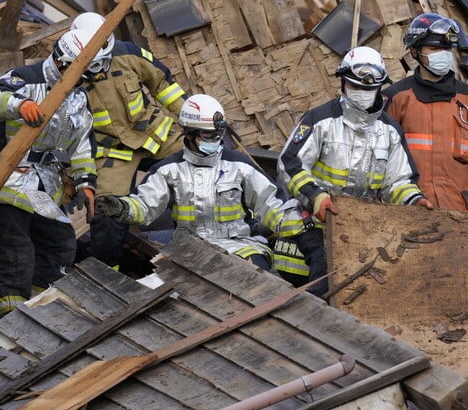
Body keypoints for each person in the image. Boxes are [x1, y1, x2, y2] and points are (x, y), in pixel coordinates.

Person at [95, 94, 323, 275]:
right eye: (208, 136)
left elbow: (274, 209)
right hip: (189, 252)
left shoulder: (241, 166)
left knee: (256, 285)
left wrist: (309, 224)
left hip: (242, 247)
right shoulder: (167, 170)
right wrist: (122, 208)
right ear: (189, 134)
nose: (216, 141)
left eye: (218, 135)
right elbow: (145, 207)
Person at [278, 46, 431, 294]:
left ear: (380, 88)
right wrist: (316, 197)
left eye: (368, 89)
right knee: (330, 280)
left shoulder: (390, 132)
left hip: (364, 227)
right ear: (343, 84)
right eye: (356, 87)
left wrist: (414, 200)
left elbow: (399, 181)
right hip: (316, 224)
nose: (361, 93)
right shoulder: (320, 121)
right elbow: (290, 163)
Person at [0, 28, 105, 315]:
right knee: (16, 253)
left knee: (60, 245)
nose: (83, 82)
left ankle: (40, 312)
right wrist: (19, 105)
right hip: (7, 182)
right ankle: (9, 318)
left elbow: (83, 145)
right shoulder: (26, 78)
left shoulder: (77, 97)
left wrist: (87, 184)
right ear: (63, 63)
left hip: (45, 186)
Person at [70, 12, 188, 266]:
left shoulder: (128, 53)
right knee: (107, 212)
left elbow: (163, 85)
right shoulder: (65, 76)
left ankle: (195, 245)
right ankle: (108, 271)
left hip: (156, 135)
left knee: (203, 165)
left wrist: (193, 119)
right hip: (111, 152)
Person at [384, 13, 468, 211]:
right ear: (415, 52)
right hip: (412, 209)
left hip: (462, 211)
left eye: (446, 49)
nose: (442, 55)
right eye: (434, 48)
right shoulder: (398, 97)